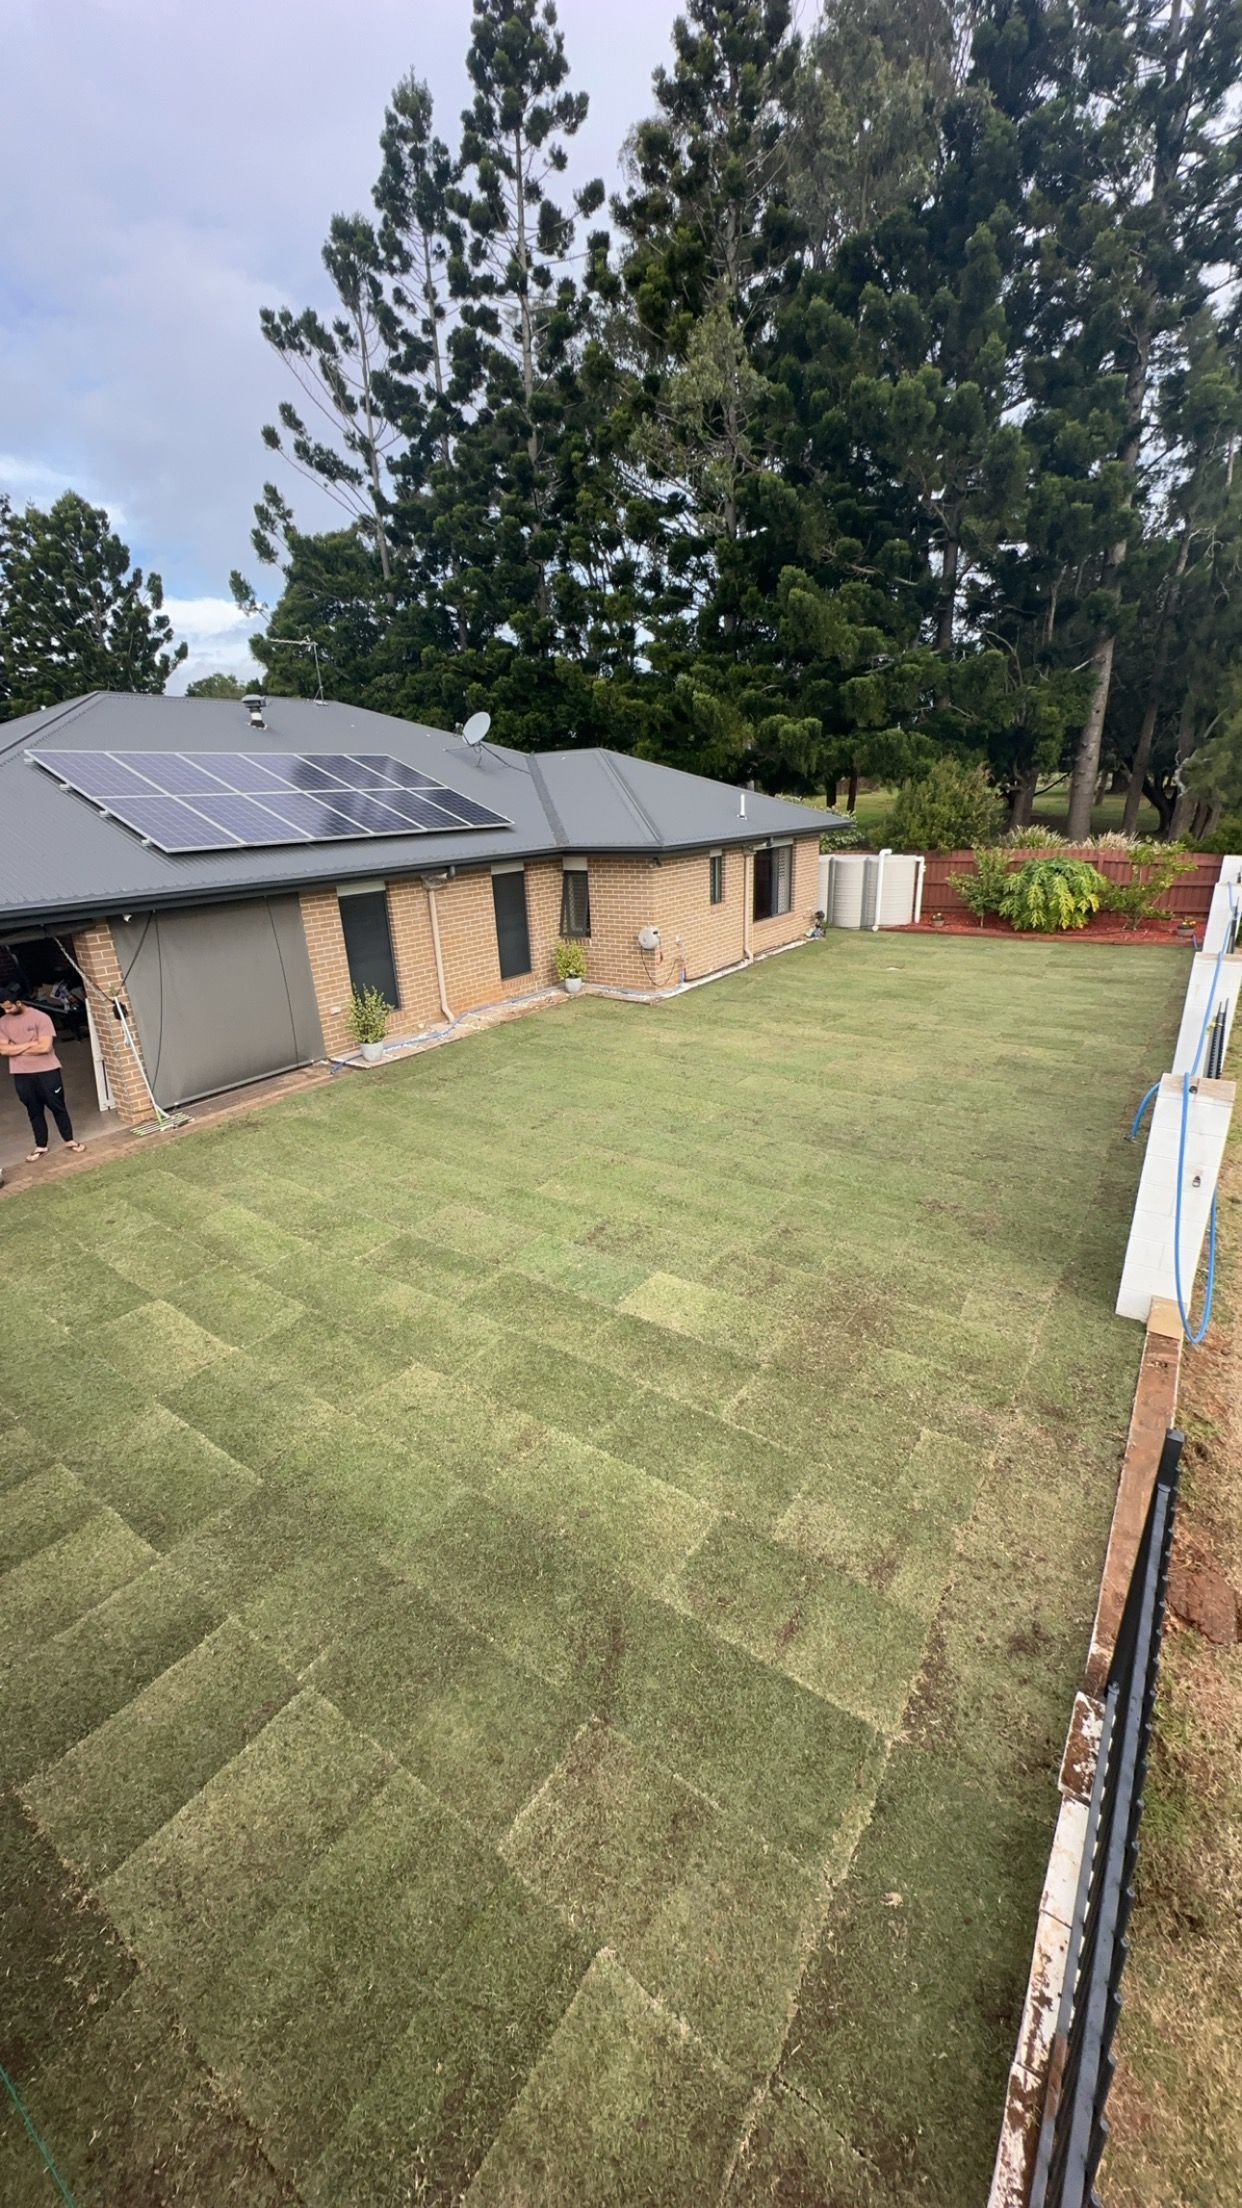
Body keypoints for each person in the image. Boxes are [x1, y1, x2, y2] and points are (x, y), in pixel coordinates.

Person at [0, 988, 86, 1162]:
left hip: (47, 1071)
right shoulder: (3, 1022)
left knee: (57, 1106)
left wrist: (16, 1049)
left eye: (9, 1008)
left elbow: (45, 1047)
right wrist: (29, 1045)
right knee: (33, 1110)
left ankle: (69, 1140)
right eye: (3, 1009)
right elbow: (3, 1049)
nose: (6, 1012)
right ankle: (41, 1145)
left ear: (18, 1003)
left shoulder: (40, 1017)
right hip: (21, 1073)